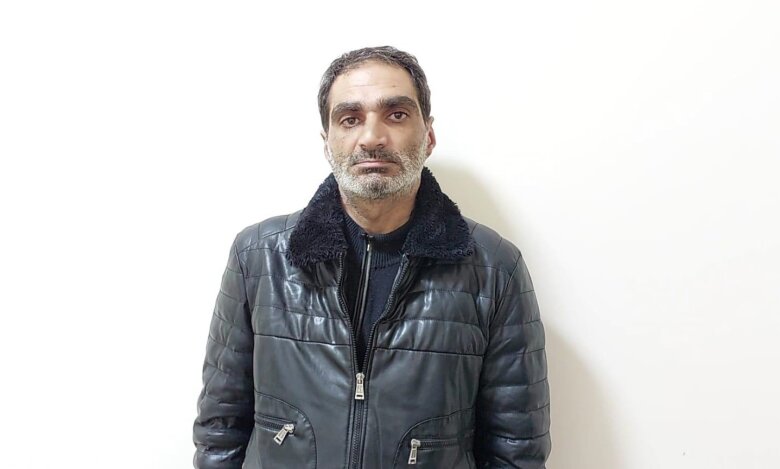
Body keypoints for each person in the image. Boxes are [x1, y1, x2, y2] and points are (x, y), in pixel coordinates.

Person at [193, 46, 551, 468]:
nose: (372, 137)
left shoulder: (494, 269)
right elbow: (220, 430)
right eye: (350, 119)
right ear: (327, 142)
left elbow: (517, 448)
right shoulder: (258, 258)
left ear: (428, 136)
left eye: (396, 114)